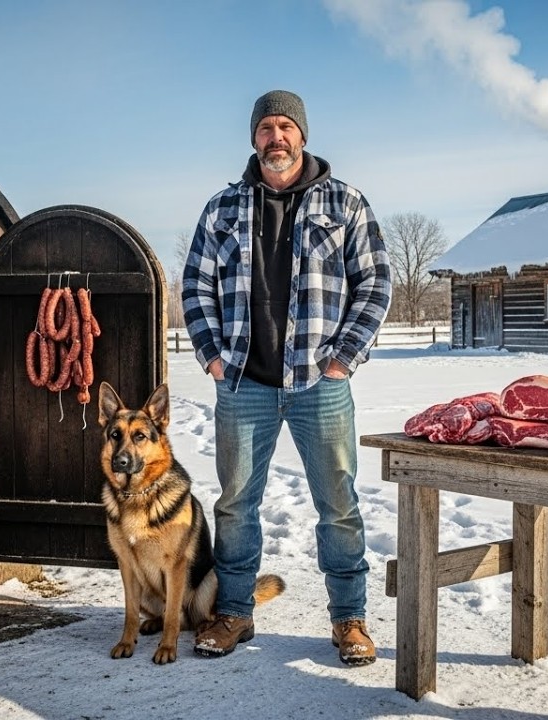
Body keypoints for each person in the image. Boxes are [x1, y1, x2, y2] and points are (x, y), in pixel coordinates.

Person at [180, 90, 392, 666]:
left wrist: (344, 357)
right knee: (236, 506)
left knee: (338, 504)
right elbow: (195, 286)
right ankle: (234, 613)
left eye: (286, 126)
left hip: (320, 383)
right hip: (244, 381)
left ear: (302, 135)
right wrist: (212, 356)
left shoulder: (344, 203)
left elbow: (374, 284)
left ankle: (349, 620)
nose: (277, 137)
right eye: (267, 128)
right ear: (254, 138)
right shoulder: (222, 209)